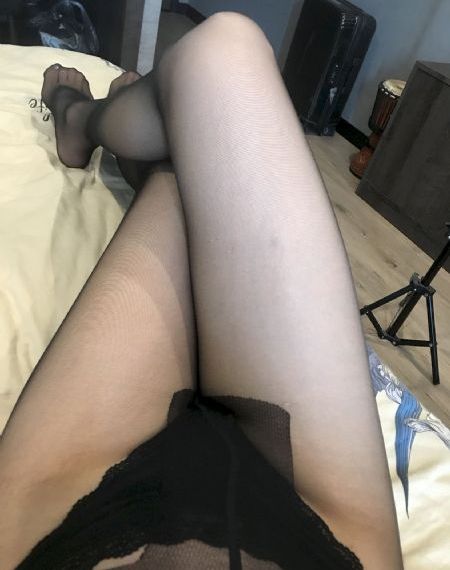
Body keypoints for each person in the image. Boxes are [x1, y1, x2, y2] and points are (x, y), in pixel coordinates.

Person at [0, 12, 403, 570]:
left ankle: (84, 119)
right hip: (322, 533)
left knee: (192, 144)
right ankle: (116, 131)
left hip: (75, 519)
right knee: (224, 54)